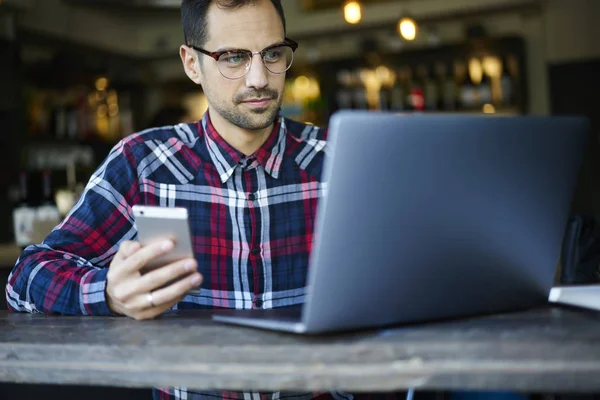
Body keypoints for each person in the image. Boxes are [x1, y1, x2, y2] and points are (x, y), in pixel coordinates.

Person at [4, 1, 409, 399]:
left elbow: (411, 277)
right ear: (191, 63)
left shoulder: (340, 159)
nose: (258, 78)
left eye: (272, 54)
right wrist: (108, 293)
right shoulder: (143, 163)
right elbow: (24, 277)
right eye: (233, 57)